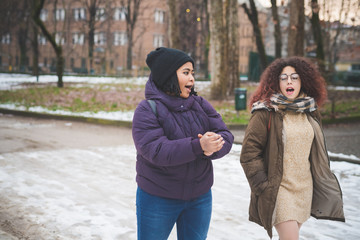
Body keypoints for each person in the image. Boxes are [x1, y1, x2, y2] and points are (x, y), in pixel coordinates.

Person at [132, 47, 234, 240]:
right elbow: (156, 150)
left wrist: (213, 145)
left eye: (192, 73)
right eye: (186, 73)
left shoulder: (199, 104)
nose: (192, 79)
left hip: (199, 197)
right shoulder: (147, 110)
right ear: (168, 75)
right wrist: (199, 146)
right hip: (158, 197)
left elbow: (226, 135)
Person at [240, 56, 345, 239]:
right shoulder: (265, 112)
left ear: (303, 81)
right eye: (283, 77)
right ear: (276, 83)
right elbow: (249, 154)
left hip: (304, 189)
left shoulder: (310, 110)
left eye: (294, 77)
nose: (289, 81)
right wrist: (263, 186)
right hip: (278, 190)